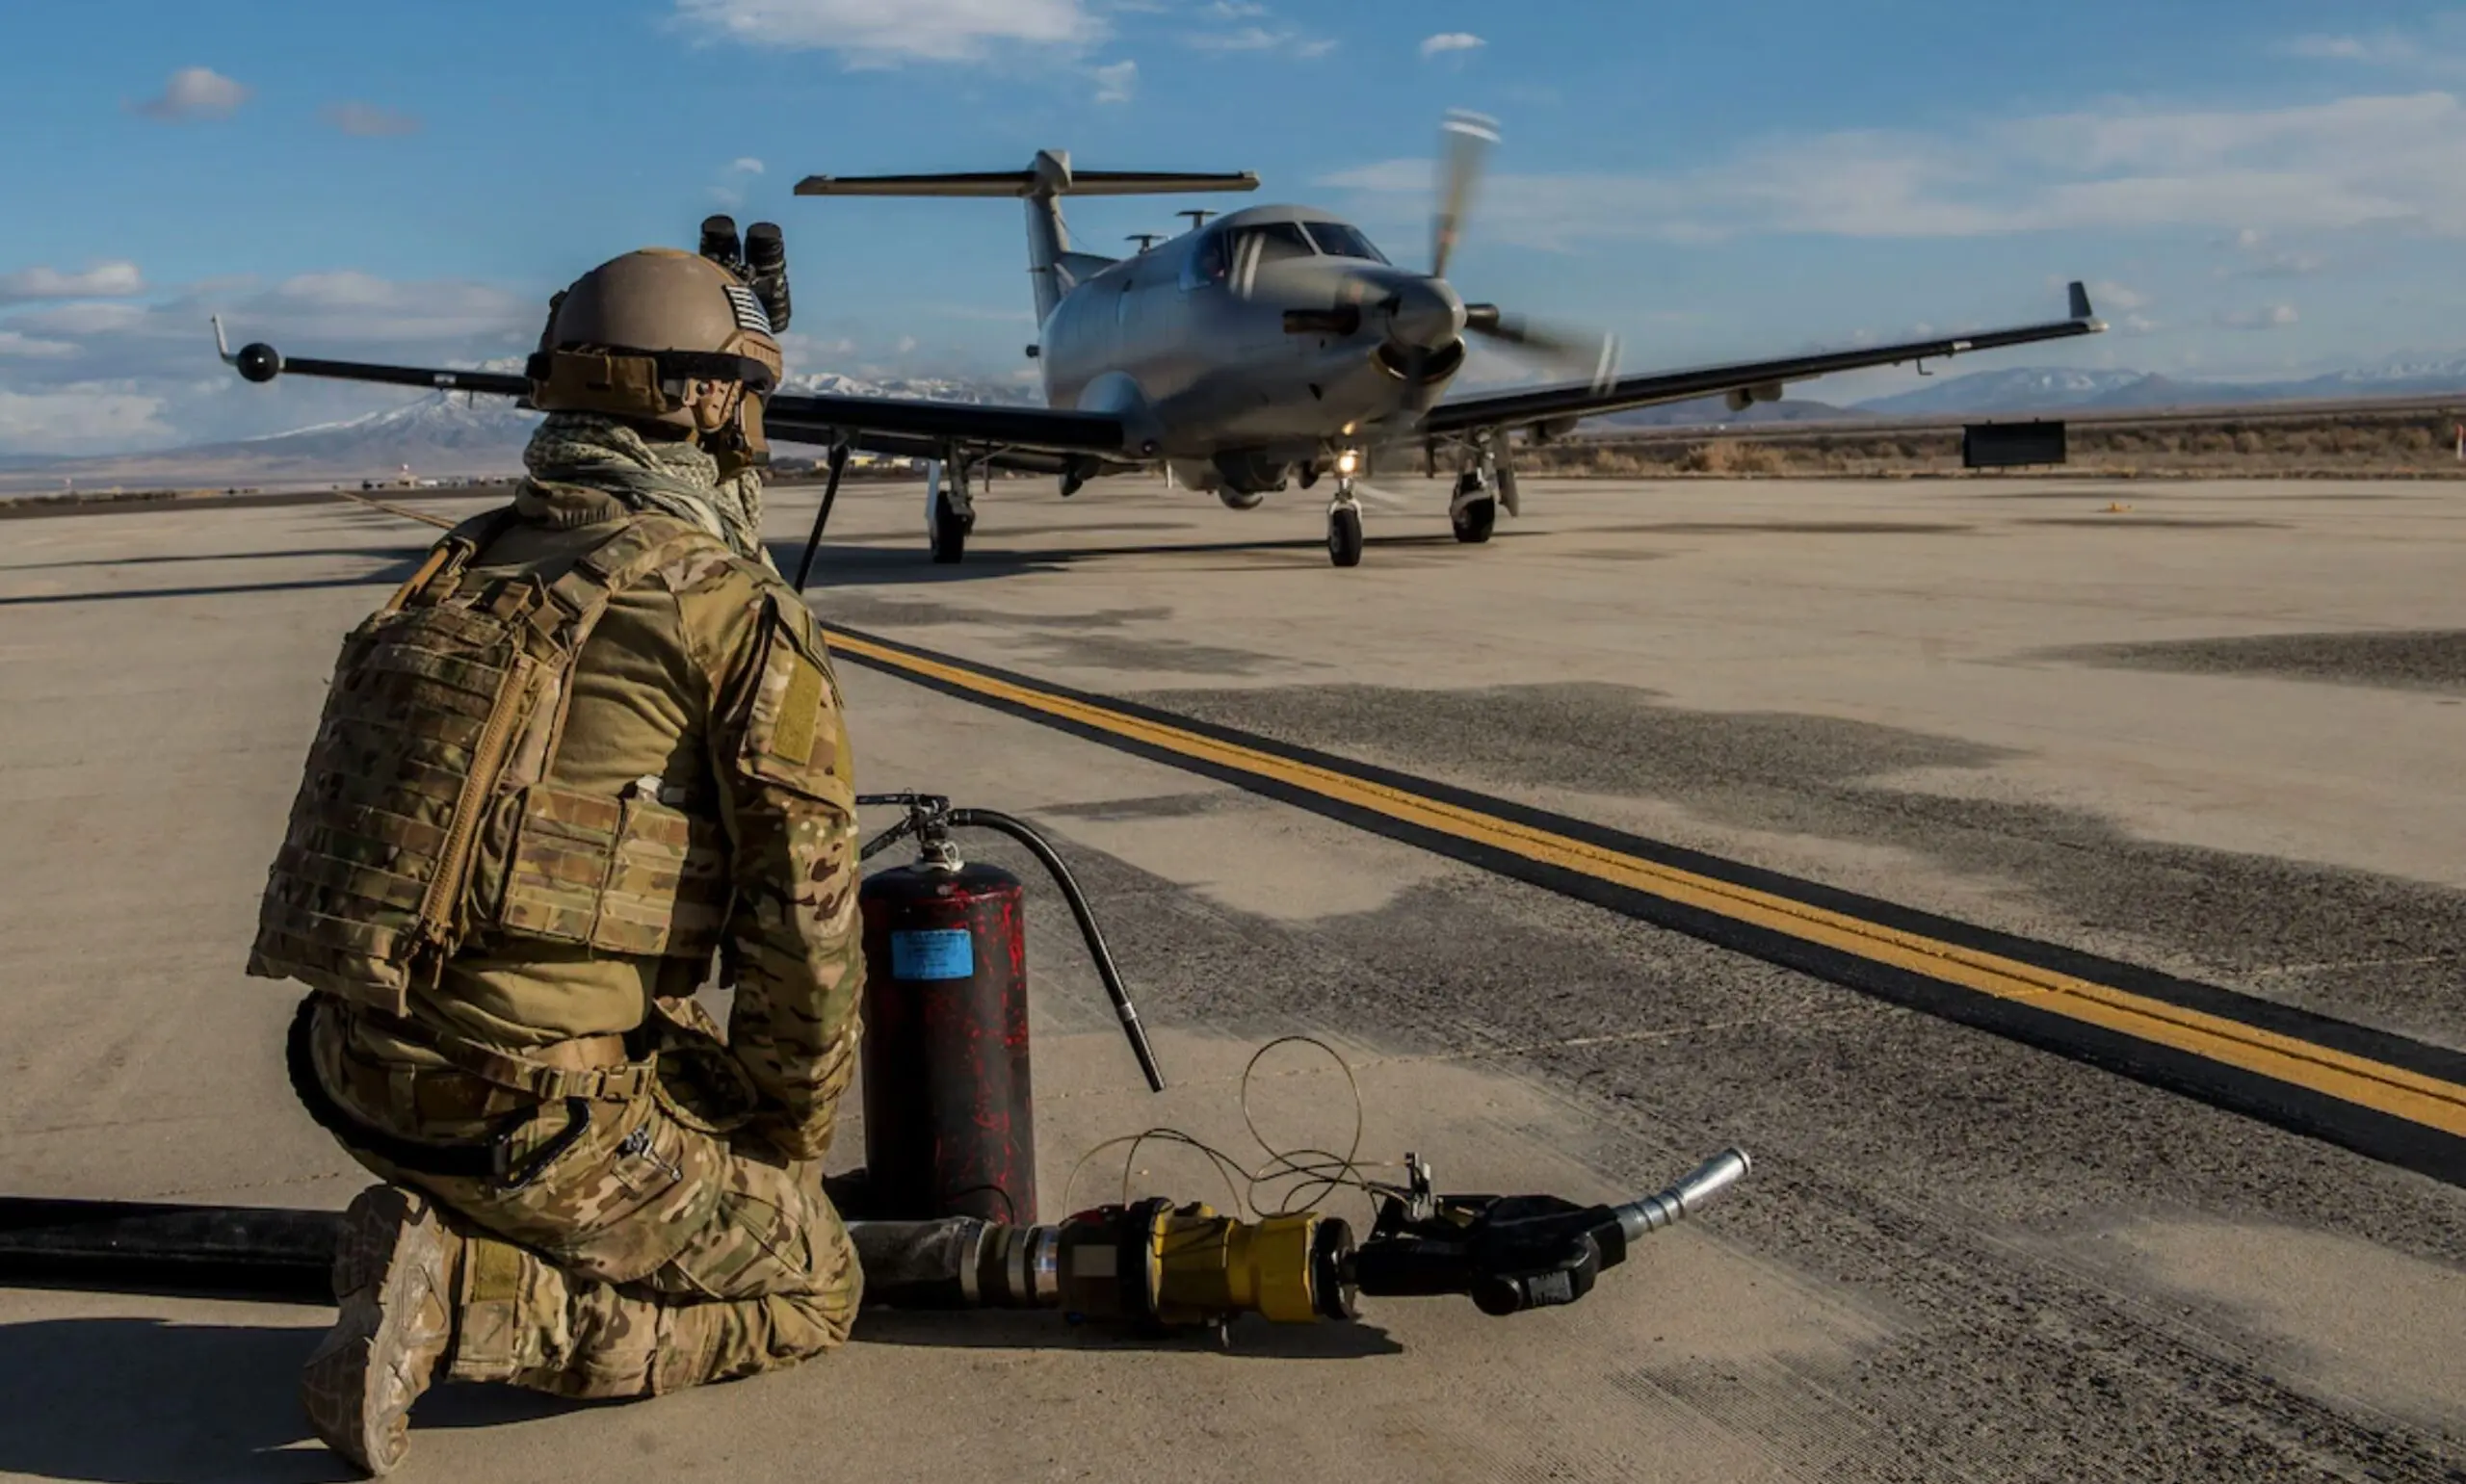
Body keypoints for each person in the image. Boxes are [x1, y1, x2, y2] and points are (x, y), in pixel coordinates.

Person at [247, 235, 865, 1476]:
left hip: (349, 1064)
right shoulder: (730, 608)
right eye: (747, 395)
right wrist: (781, 1171)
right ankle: (467, 1300)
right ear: (703, 404)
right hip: (522, 1114)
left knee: (676, 1077)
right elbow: (807, 940)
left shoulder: (458, 566)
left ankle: (467, 1221)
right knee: (813, 1288)